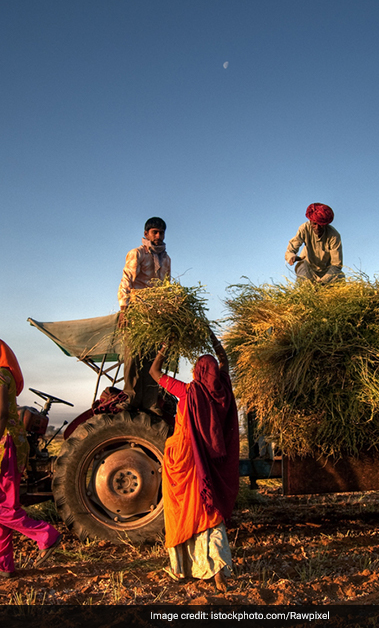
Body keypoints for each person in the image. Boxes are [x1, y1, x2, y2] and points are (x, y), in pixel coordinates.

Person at [149, 333, 239, 593]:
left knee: (183, 510)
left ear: (199, 372)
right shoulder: (223, 388)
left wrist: (166, 344)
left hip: (185, 459)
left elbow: (155, 372)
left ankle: (184, 567)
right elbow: (224, 361)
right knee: (209, 509)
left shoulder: (188, 391)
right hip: (208, 461)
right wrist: (212, 338)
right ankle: (218, 570)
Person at [0, 335, 61, 578]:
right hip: (2, 443)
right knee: (0, 507)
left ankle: (45, 534)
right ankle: (0, 564)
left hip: (6, 445)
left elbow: (1, 415)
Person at [118, 217, 171, 416]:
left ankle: (150, 401)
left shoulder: (166, 259)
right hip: (136, 311)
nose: (158, 236)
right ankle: (130, 397)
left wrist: (166, 314)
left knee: (152, 358)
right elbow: (126, 281)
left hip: (155, 315)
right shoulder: (137, 253)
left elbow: (166, 288)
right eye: (154, 232)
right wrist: (124, 310)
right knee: (133, 355)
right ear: (147, 233)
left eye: (161, 233)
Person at [285, 203, 344, 284]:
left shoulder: (334, 235)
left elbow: (336, 264)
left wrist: (323, 281)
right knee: (303, 275)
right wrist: (291, 256)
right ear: (310, 221)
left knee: (340, 278)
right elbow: (291, 248)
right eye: (314, 224)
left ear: (325, 224)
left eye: (320, 225)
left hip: (327, 270)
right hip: (308, 267)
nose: (317, 228)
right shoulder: (304, 229)